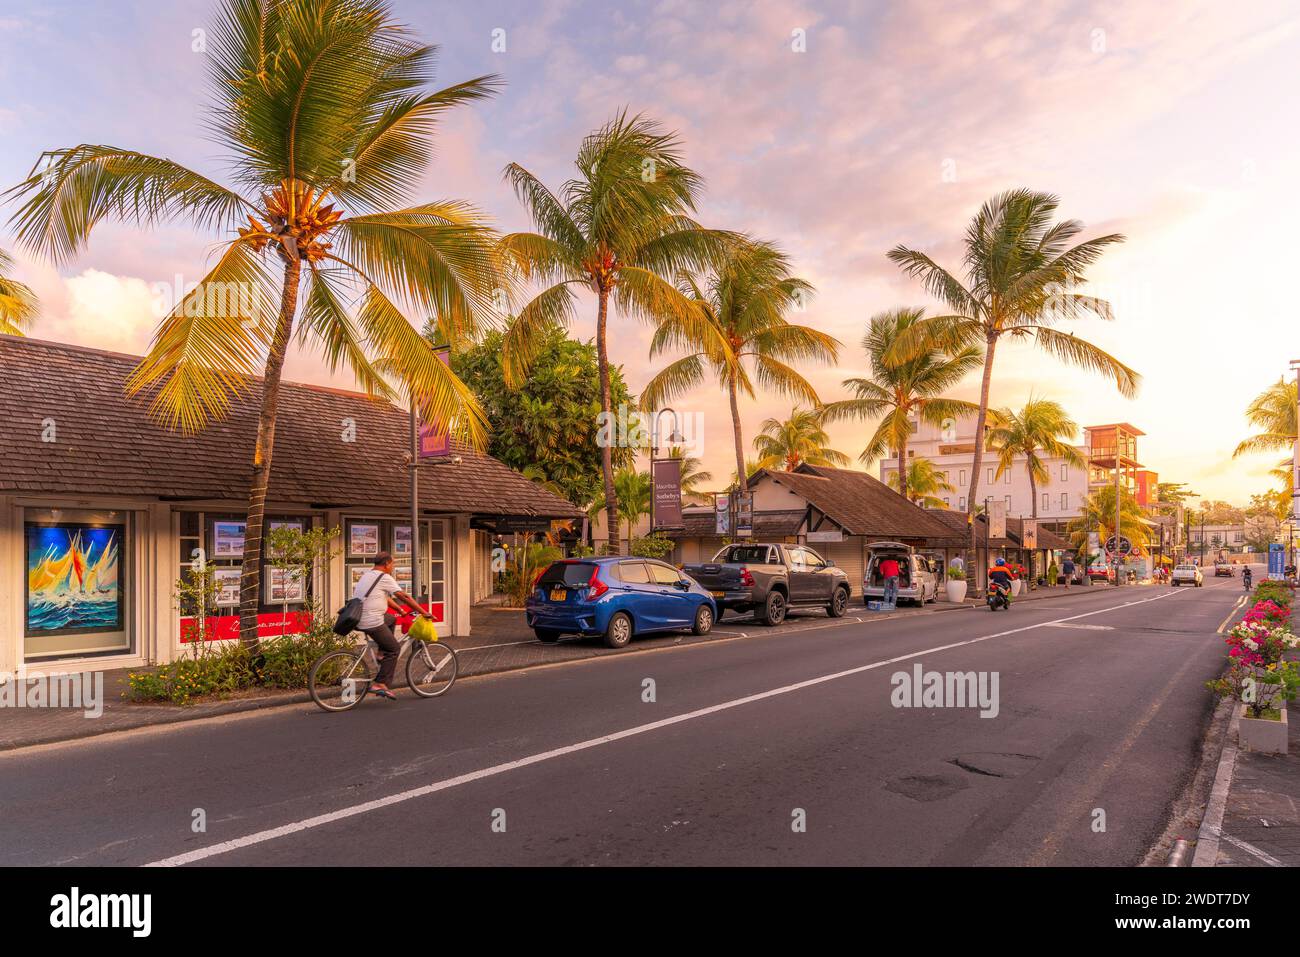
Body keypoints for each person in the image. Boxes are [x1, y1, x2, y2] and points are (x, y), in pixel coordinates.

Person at [353, 551, 427, 700]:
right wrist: (424, 612)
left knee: (391, 619)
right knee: (394, 649)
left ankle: (381, 653)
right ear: (386, 564)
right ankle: (380, 684)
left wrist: (400, 610)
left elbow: (384, 597)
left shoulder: (368, 575)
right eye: (393, 564)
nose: (393, 567)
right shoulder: (384, 577)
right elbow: (404, 596)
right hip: (371, 621)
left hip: (360, 618)